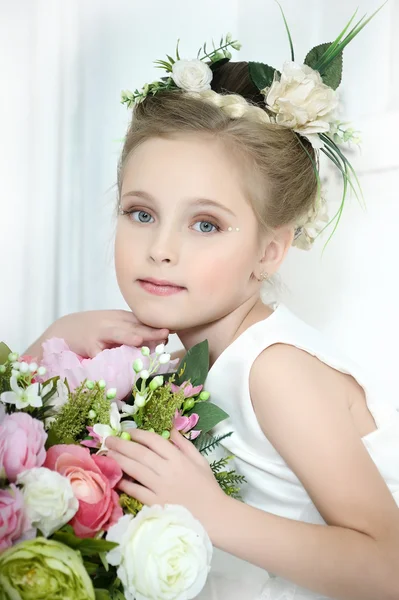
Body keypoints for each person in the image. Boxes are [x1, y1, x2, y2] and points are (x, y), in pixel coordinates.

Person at [25, 7, 399, 599]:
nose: (162, 249)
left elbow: (388, 567)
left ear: (269, 252)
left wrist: (211, 511)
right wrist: (43, 354)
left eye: (206, 224)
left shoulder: (276, 371)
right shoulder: (168, 362)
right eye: (141, 214)